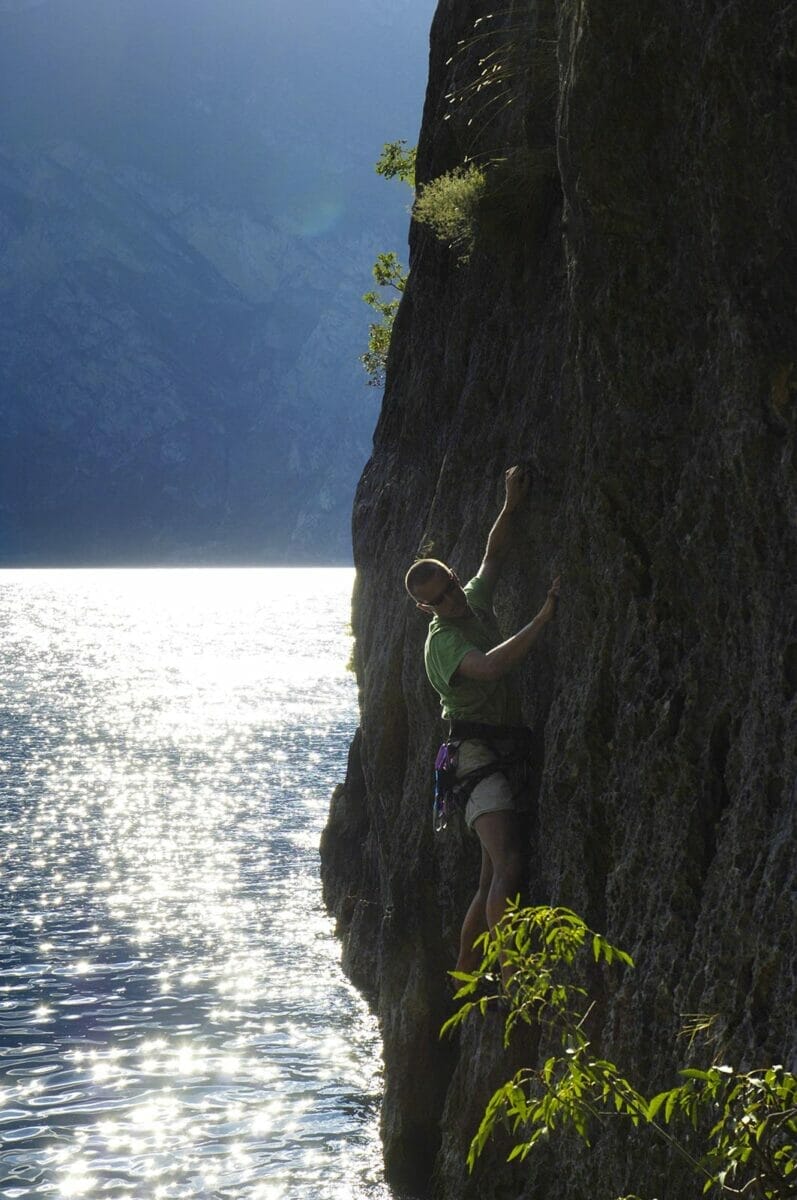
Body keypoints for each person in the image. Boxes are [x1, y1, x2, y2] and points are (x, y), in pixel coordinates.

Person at [404, 465, 560, 984]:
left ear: (451, 575)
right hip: (473, 756)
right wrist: (541, 619)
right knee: (510, 863)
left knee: (492, 872)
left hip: (496, 749)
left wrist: (510, 504)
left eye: (451, 586)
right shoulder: (442, 641)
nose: (452, 599)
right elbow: (490, 667)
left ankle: (465, 974)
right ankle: (514, 979)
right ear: (426, 606)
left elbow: (492, 555)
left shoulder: (470, 599)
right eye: (441, 598)